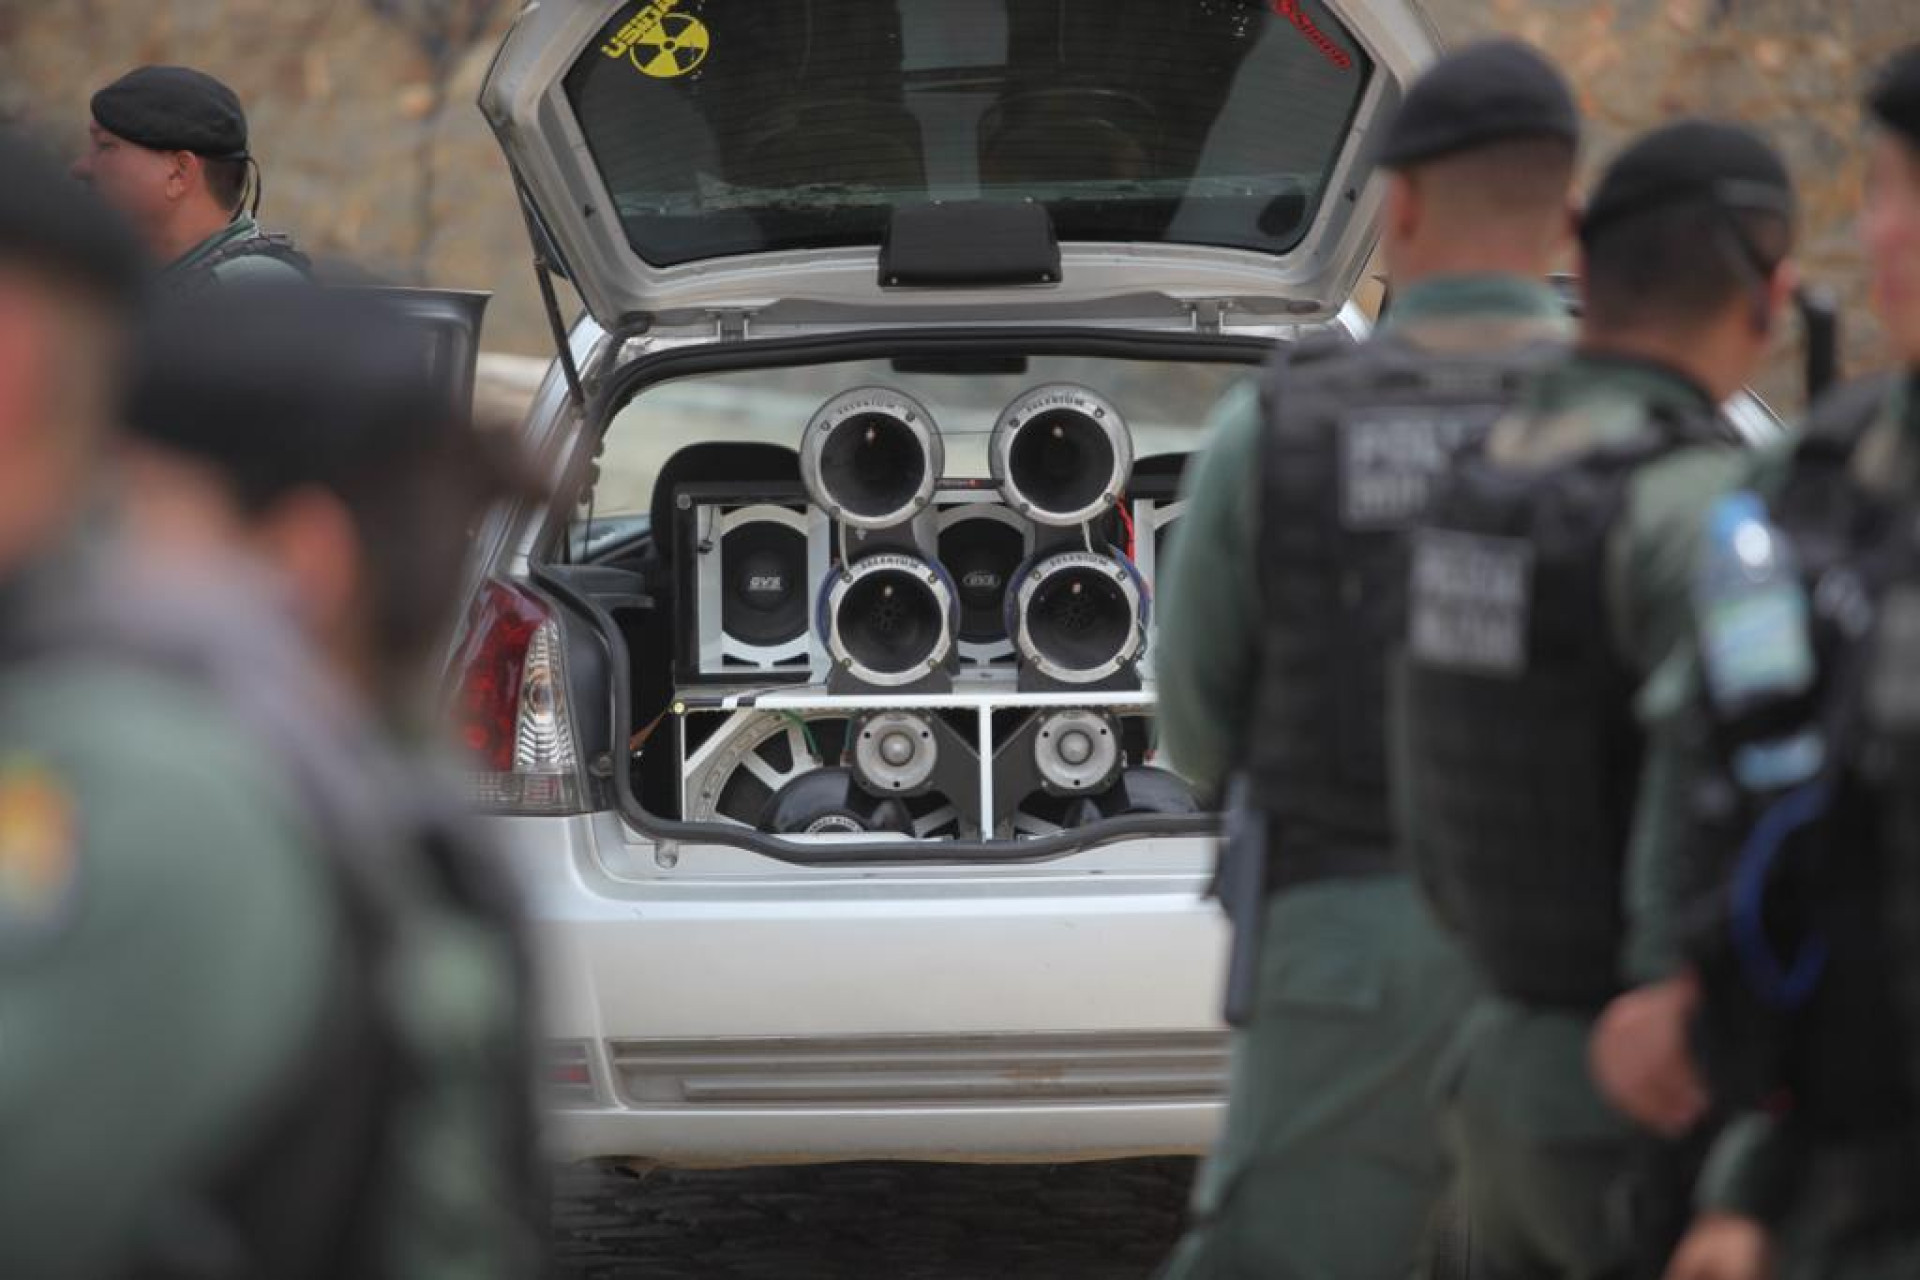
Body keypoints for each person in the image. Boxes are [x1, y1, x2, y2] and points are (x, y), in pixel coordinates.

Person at [0, 285, 545, 1278]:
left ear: (302, 559)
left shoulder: (177, 789)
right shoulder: (377, 782)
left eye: (128, 507)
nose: (85, 558)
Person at [1153, 40, 1581, 1280]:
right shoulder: (1648, 422)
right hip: (1584, 962)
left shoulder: (1274, 428)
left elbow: (1194, 729)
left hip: (1342, 936)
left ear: (1394, 207)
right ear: (1564, 211)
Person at [1396, 119, 1800, 1280]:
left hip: (1486, 1068)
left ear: (1582, 252)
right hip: (1643, 1097)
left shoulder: (1478, 483)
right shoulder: (1703, 514)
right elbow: (1751, 829)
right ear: (1768, 298)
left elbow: (1424, 796)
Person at [1591, 45, 1920, 1280]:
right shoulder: (1812, 479)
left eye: (1891, 191)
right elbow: (1733, 795)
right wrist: (1745, 1175)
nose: (1874, 229)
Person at [72, 64, 309, 295]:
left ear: (179, 173)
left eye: (105, 146)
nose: (80, 167)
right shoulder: (159, 284)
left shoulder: (251, 293)